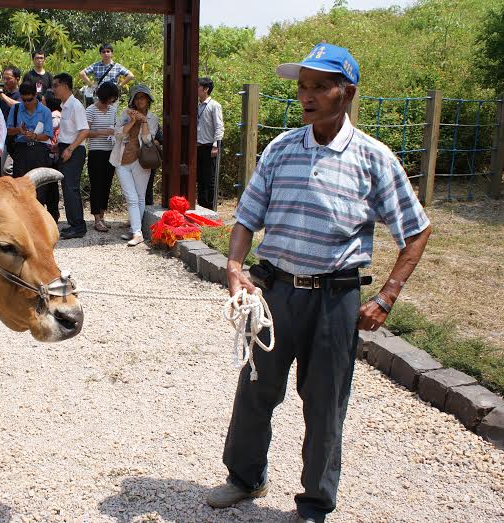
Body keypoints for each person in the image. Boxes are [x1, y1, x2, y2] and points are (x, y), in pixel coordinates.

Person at [207, 44, 432, 523]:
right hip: (274, 293)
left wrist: (387, 296)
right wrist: (233, 266)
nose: (305, 96)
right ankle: (244, 478)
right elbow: (247, 217)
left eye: (318, 86)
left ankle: (314, 503)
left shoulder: (374, 159)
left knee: (325, 405)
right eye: (302, 86)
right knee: (255, 389)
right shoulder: (281, 148)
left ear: (345, 92)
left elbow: (417, 230)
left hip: (336, 298)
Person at [109, 85, 159, 247]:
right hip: (121, 160)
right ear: (133, 100)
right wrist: (132, 121)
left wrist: (143, 120)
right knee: (130, 196)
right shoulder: (125, 114)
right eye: (137, 97)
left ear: (148, 100)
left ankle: (136, 231)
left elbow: (147, 140)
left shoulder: (152, 118)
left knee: (139, 196)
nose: (140, 100)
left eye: (143, 97)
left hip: (141, 161)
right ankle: (137, 231)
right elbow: (118, 135)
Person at [51, 73, 89, 240]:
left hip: (74, 150)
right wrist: (58, 145)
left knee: (71, 188)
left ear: (65, 86)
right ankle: (74, 223)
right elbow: (69, 131)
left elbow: (84, 131)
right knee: (67, 187)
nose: (53, 89)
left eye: (55, 85)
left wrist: (70, 149)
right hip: (66, 147)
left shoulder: (75, 105)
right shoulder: (65, 105)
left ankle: (78, 226)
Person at [85, 81, 119, 232]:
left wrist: (114, 131)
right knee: (96, 184)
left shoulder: (112, 110)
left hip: (110, 151)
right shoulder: (91, 110)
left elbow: (114, 127)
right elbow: (85, 132)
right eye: (111, 97)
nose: (112, 100)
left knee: (107, 184)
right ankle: (96, 218)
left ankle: (103, 215)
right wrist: (101, 132)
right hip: (96, 152)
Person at [6, 82, 53, 178]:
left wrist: (34, 136)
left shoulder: (45, 111)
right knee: (21, 183)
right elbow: (8, 131)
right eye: (24, 100)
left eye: (29, 99)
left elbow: (48, 135)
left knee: (40, 186)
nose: (27, 103)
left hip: (39, 150)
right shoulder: (16, 108)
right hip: (21, 150)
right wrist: (18, 130)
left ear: (36, 95)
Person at [196, 77, 224, 209]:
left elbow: (219, 127)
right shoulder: (197, 105)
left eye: (198, 86)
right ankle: (201, 205)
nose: (196, 89)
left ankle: (211, 207)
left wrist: (215, 146)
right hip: (198, 146)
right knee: (200, 178)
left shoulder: (214, 105)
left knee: (209, 179)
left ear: (206, 89)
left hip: (209, 146)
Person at [39, 89, 62, 222]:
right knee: (52, 185)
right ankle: (53, 213)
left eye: (43, 100)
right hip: (54, 154)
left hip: (50, 154)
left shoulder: (53, 116)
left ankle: (51, 214)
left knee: (47, 185)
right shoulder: (59, 114)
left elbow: (48, 134)